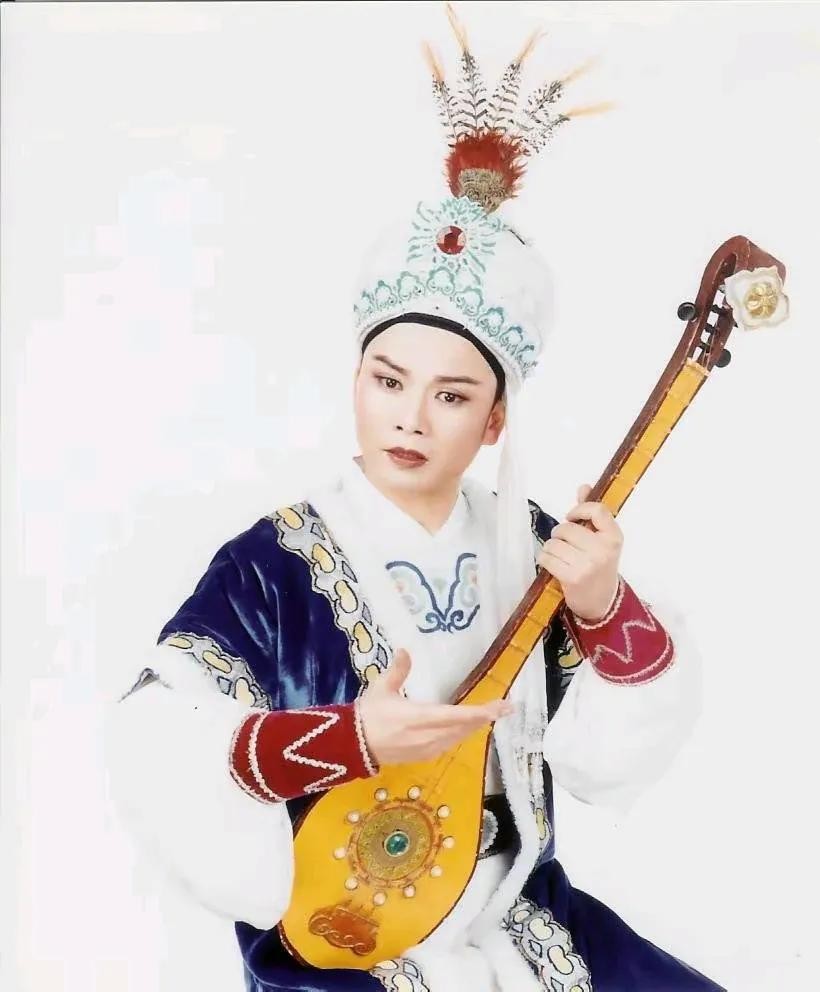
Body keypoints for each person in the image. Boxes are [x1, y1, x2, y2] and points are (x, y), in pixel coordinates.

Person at [105, 7, 726, 991]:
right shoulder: (273, 567)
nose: (409, 417)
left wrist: (604, 605)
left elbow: (612, 760)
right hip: (347, 931)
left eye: (452, 395)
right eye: (387, 380)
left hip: (521, 912)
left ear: (494, 419)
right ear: (356, 378)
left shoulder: (534, 547)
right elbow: (154, 743)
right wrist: (344, 740)